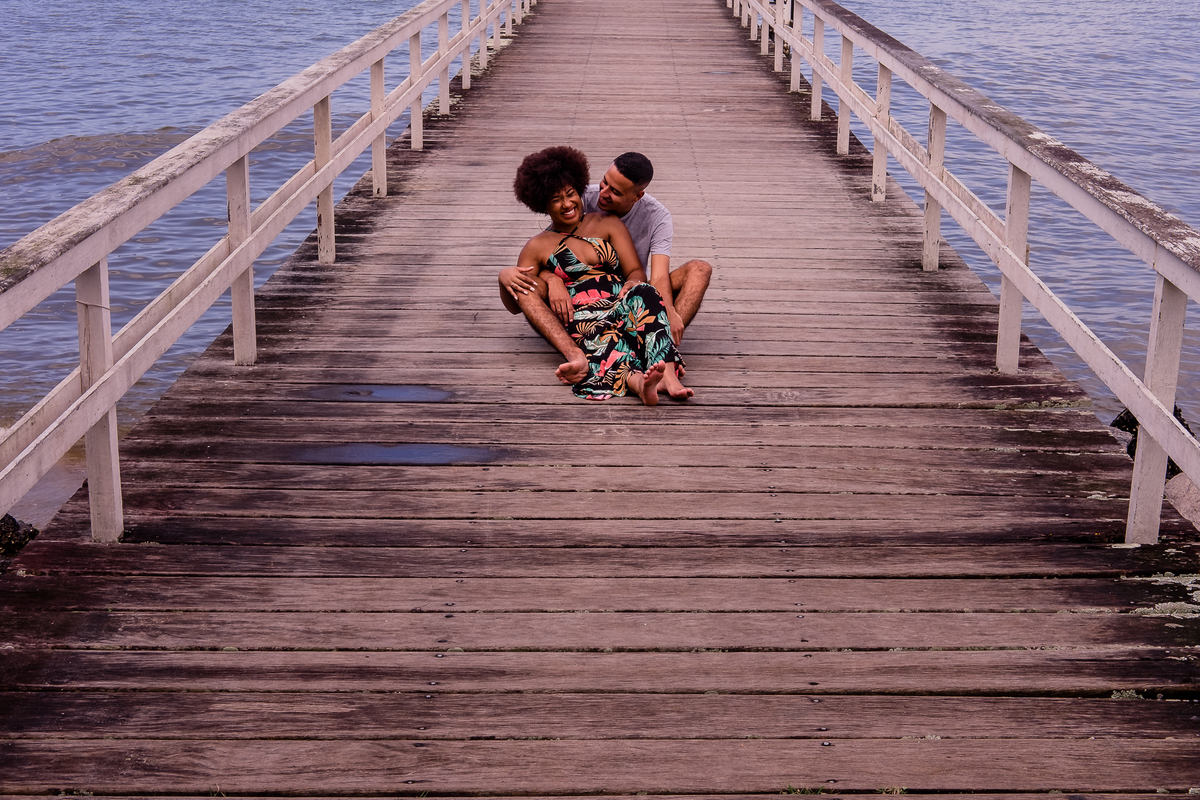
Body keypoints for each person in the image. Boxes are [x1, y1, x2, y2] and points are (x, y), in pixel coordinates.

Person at [500, 151, 711, 400]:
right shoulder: (536, 246)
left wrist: (642, 291)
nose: (567, 204)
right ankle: (640, 385)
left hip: (618, 300)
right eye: (556, 200)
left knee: (645, 290)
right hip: (580, 313)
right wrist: (506, 277)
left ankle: (668, 374)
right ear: (543, 204)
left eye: (571, 194)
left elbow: (637, 271)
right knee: (601, 333)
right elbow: (518, 302)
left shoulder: (608, 222)